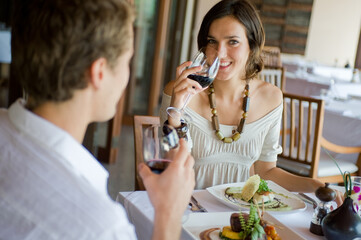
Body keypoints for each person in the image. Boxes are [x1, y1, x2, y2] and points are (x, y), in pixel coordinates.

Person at [0, 0, 195, 239]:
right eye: (127, 61)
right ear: (99, 73)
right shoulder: (101, 227)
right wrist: (168, 214)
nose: (127, 73)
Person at [160, 0, 342, 204]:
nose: (220, 53)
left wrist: (314, 185)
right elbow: (169, 163)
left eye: (233, 42)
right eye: (212, 41)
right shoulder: (181, 92)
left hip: (243, 217)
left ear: (252, 45)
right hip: (188, 210)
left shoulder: (271, 98)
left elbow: (267, 171)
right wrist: (175, 113)